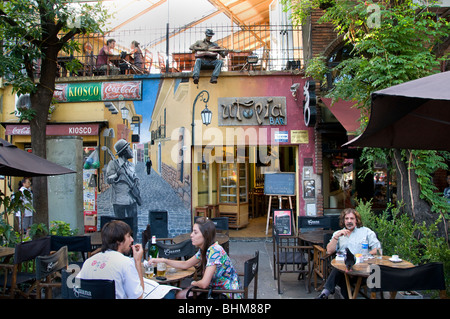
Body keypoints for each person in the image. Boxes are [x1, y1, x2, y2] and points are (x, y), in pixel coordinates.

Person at [150, 217, 241, 299]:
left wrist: (194, 284)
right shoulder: (204, 250)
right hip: (214, 290)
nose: (191, 235)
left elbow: (204, 284)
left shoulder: (215, 251)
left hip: (226, 294)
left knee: (180, 295)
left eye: (195, 232)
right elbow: (186, 264)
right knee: (180, 295)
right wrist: (163, 260)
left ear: (205, 235)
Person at [316, 208, 381, 299]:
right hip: (344, 270)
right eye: (346, 219)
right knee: (338, 269)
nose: (349, 221)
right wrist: (336, 237)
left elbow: (378, 250)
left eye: (352, 218)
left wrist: (364, 255)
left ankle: (326, 293)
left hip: (361, 269)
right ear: (343, 220)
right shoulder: (338, 234)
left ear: (356, 220)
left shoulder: (366, 232)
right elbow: (329, 251)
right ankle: (325, 294)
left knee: (340, 274)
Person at [77, 220, 144, 298]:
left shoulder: (88, 262)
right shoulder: (126, 263)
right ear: (119, 240)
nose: (132, 240)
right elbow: (138, 297)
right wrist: (138, 261)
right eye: (129, 236)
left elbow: (77, 288)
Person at [106, 139, 141, 237]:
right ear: (124, 152)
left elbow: (134, 176)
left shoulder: (131, 165)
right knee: (120, 225)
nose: (131, 150)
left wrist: (136, 179)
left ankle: (133, 241)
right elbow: (108, 180)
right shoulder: (113, 164)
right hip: (119, 201)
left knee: (133, 223)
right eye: (129, 149)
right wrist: (117, 174)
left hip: (132, 199)